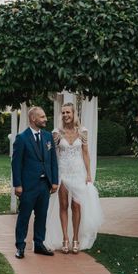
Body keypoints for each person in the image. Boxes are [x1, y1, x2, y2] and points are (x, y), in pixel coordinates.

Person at [45, 103, 103, 253]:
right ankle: (65, 238)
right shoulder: (56, 133)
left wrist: (89, 174)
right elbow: (52, 154)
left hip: (78, 173)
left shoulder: (83, 131)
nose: (65, 115)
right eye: (63, 113)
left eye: (68, 112)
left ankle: (75, 238)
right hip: (63, 173)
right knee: (63, 205)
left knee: (76, 206)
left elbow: (85, 153)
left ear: (74, 113)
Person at [11, 106, 59, 259]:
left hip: (45, 185)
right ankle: (20, 246)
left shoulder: (47, 137)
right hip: (28, 186)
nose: (46, 119)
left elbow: (53, 161)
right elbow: (16, 163)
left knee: (42, 216)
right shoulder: (22, 138)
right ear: (33, 119)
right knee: (24, 216)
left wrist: (54, 181)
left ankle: (39, 244)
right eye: (43, 117)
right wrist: (17, 184)